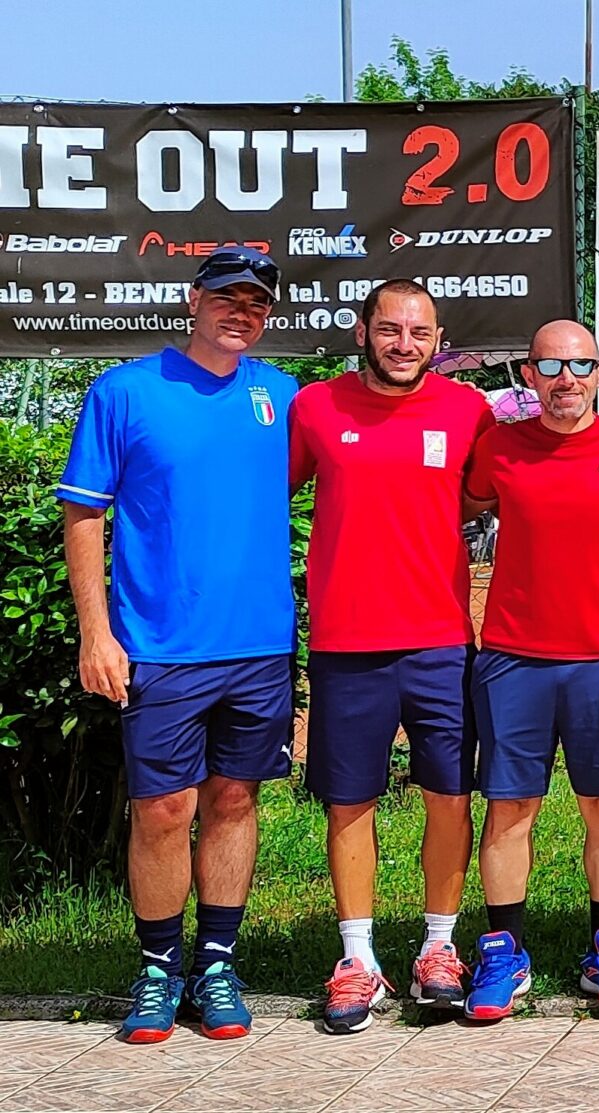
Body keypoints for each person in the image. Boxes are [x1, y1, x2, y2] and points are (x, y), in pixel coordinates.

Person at [61, 248, 297, 1043]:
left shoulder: (282, 395)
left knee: (234, 800)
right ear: (191, 300)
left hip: (259, 644)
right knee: (163, 809)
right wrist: (97, 631)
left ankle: (218, 961)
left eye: (257, 303)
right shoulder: (124, 391)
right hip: (160, 645)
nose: (243, 313)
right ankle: (159, 967)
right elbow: (84, 515)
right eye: (227, 298)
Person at [291, 280, 494, 1033]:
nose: (404, 343)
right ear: (361, 331)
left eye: (418, 332)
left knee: (449, 794)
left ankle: (439, 947)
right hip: (347, 641)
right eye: (389, 329)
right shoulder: (316, 407)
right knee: (351, 801)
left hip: (441, 639)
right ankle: (357, 959)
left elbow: (492, 491)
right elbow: (263, 495)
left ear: (438, 341)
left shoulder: (466, 410)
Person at [461, 321, 599, 1020]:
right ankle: (503, 951)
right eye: (551, 365)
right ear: (529, 374)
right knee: (510, 809)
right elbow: (470, 506)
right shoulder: (499, 449)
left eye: (579, 365)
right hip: (515, 657)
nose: (566, 379)